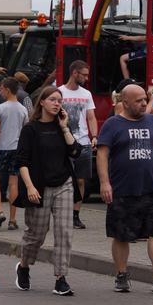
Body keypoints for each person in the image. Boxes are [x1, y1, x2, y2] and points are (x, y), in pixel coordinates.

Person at [97, 84, 153, 294]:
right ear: (125, 103)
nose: (144, 103)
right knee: (122, 235)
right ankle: (121, 274)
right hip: (123, 190)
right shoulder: (112, 124)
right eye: (139, 101)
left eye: (145, 99)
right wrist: (105, 183)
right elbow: (102, 155)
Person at [14, 86, 82, 296]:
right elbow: (22, 162)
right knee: (37, 234)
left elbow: (75, 151)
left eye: (59, 101)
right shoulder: (31, 129)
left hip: (64, 184)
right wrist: (30, 187)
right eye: (52, 99)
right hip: (39, 187)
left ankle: (61, 278)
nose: (56, 104)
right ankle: (24, 266)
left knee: (64, 232)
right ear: (41, 102)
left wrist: (64, 128)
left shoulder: (62, 126)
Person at [58, 60, 97, 229]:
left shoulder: (86, 94)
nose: (87, 78)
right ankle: (61, 213)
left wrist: (94, 136)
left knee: (80, 180)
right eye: (84, 74)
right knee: (62, 179)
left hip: (83, 142)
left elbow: (91, 117)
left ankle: (75, 215)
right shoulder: (59, 92)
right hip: (63, 142)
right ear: (75, 73)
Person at [0, 77, 29, 230]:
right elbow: (25, 131)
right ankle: (12, 219)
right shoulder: (23, 109)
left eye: (1, 89)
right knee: (14, 183)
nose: (0, 92)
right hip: (16, 149)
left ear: (7, 89)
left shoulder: (0, 108)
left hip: (1, 147)